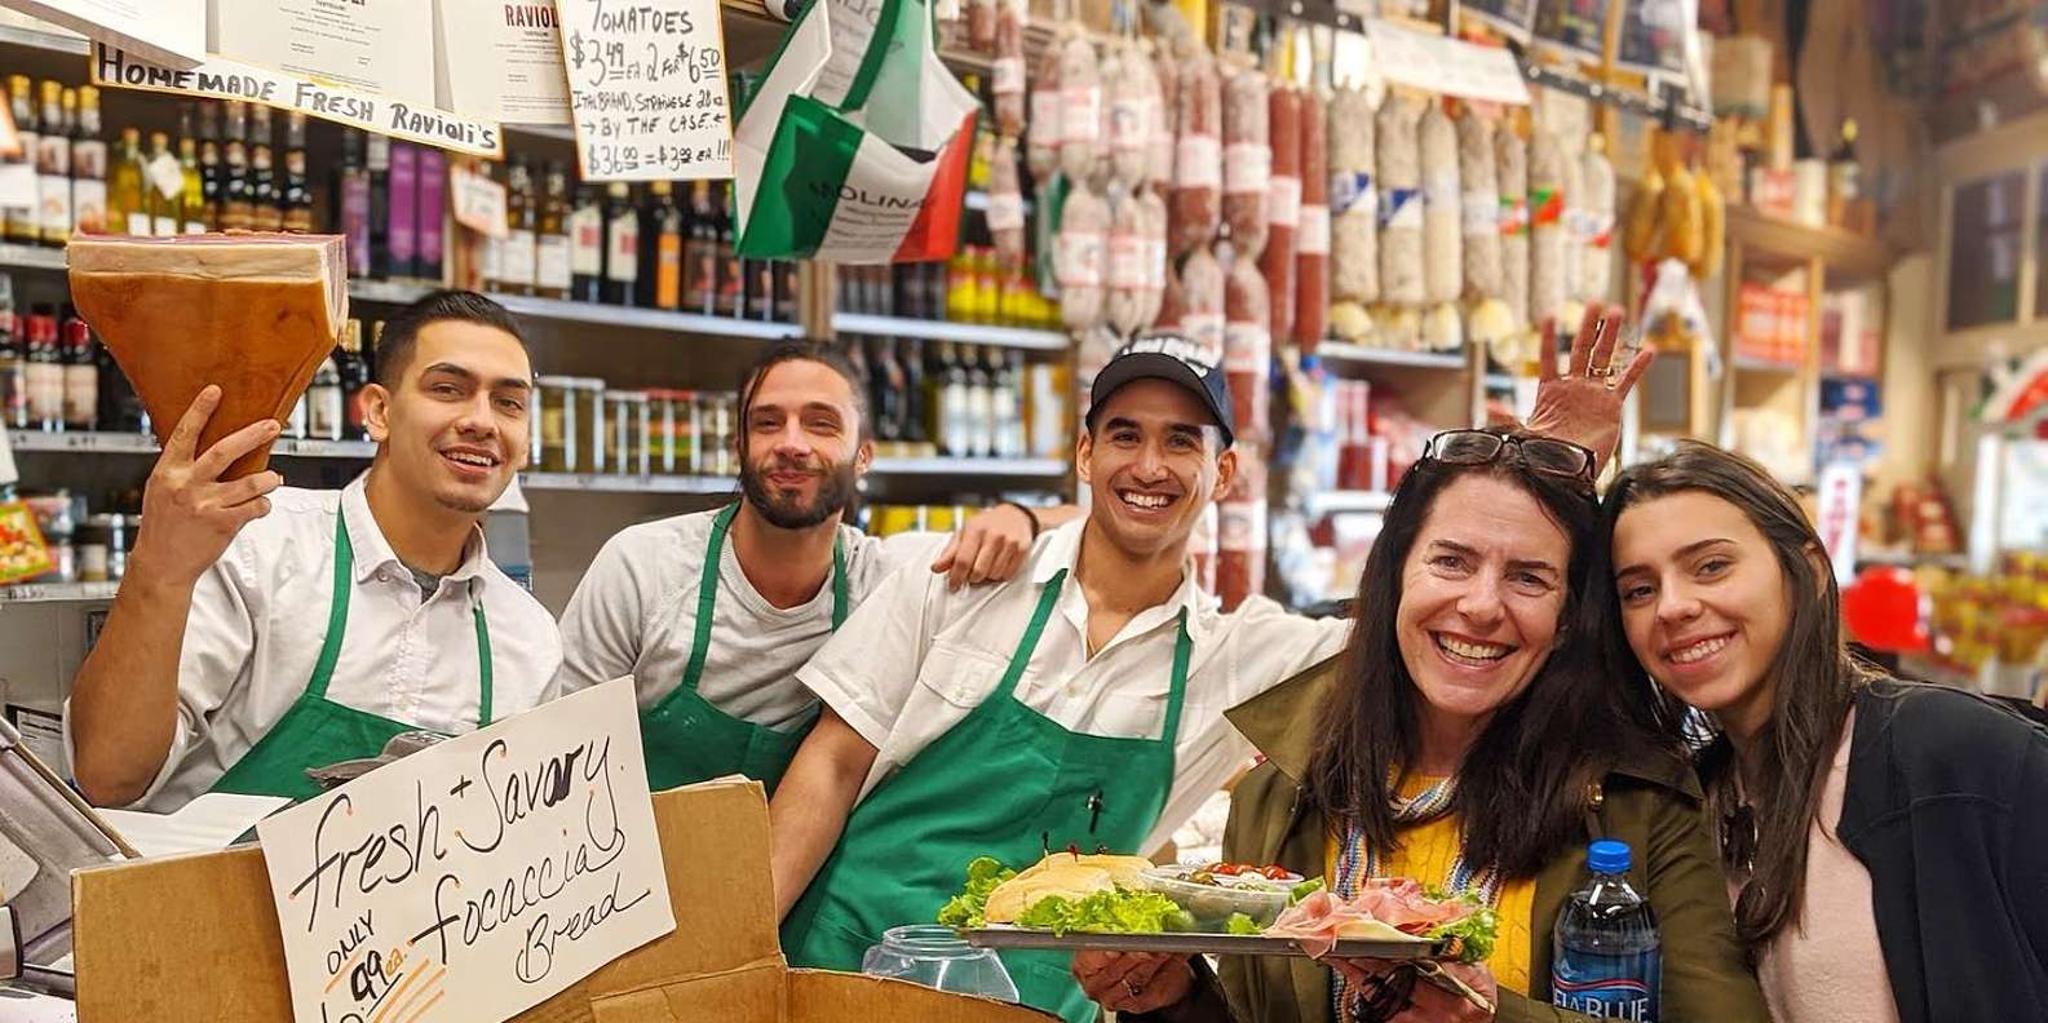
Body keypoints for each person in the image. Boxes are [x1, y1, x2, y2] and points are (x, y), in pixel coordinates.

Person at [770, 308, 1653, 1023]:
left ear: (1223, 472)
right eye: (1124, 435)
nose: (1149, 465)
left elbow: (1450, 619)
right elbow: (828, 765)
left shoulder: (1247, 654)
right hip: (841, 962)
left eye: (1182, 442)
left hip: (1031, 1001)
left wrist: (1555, 473)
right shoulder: (952, 575)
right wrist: (739, 948)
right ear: (1084, 455)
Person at [1073, 426, 1766, 1023]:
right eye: (1451, 561)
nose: (1481, 605)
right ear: (1396, 576)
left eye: (1528, 577)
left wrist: (1495, 1017)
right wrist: (1171, 996)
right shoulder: (1285, 790)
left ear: (1565, 621)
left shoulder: (1634, 802)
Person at [1601, 442, 2048, 1023]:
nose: (1673, 606)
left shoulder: (1946, 751)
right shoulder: (1695, 800)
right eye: (1639, 590)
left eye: (1711, 566)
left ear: (1807, 569)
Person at [65, 290, 560, 812]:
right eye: (447, 388)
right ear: (378, 412)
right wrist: (158, 571)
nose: (481, 421)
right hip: (207, 892)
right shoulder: (257, 543)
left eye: (508, 402)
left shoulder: (528, 639)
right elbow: (108, 779)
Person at [551, 341, 1069, 792]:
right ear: (739, 448)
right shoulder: (643, 567)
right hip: (632, 880)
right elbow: (559, 762)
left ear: (863, 455)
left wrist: (1022, 516)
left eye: (821, 424)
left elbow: (1096, 530)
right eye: (767, 423)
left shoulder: (890, 578)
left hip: (801, 887)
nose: (792, 444)